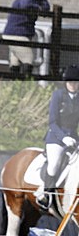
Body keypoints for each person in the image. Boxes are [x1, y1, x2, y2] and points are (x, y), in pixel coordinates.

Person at [37, 64, 79, 210]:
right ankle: (45, 195)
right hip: (56, 137)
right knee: (54, 164)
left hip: (74, 138)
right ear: (66, 82)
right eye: (70, 82)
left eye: (75, 82)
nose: (73, 85)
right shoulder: (58, 95)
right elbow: (52, 122)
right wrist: (63, 138)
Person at [2, 0, 50, 78]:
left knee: (15, 61)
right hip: (18, 34)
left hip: (13, 33)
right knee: (28, 59)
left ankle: (14, 85)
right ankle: (26, 84)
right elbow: (26, 6)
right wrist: (38, 5)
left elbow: (46, 9)